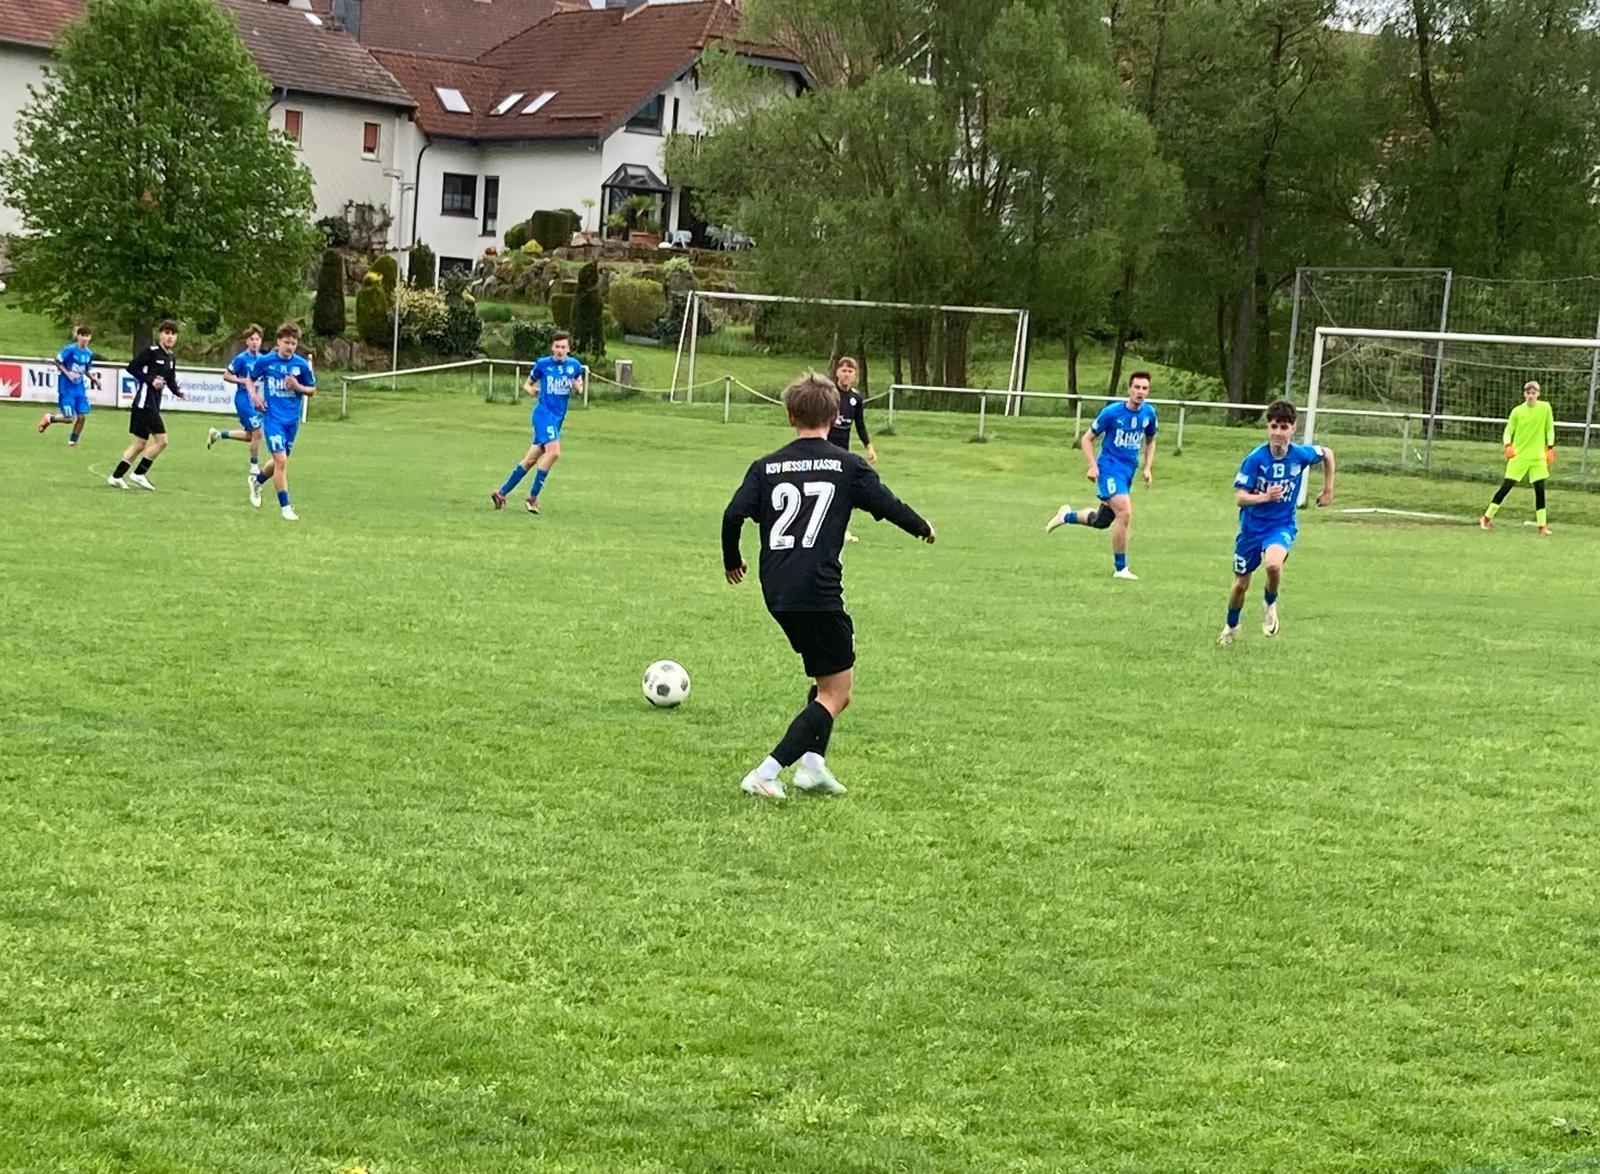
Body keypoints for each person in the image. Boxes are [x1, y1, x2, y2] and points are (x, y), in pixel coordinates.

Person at [722, 370, 936, 800]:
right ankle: (766, 772)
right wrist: (922, 527)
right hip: (817, 590)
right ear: (835, 415)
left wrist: (732, 560)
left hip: (777, 588)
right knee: (837, 693)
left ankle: (812, 767)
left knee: (827, 679)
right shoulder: (848, 466)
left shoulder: (766, 466)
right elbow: (887, 504)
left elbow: (733, 515)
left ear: (790, 416)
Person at [1218, 399, 1335, 646]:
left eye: (1283, 427)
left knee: (1273, 564)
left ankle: (1270, 603)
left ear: (1293, 429)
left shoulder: (1300, 455)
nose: (1278, 433)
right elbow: (1240, 498)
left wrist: (1328, 490)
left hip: (1281, 525)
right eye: (1273, 426)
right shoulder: (1255, 459)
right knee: (1240, 584)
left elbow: (1328, 454)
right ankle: (1231, 625)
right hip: (1251, 530)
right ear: (1267, 428)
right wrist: (1265, 497)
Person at [1044, 370, 1157, 579]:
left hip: (1127, 471)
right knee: (1125, 512)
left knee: (1102, 521)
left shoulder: (1149, 413)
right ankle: (1121, 568)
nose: (1140, 392)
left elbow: (1150, 441)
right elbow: (1086, 439)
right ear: (1129, 389)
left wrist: (1147, 467)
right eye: (1137, 387)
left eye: (1144, 388)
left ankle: (1066, 516)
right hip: (1109, 468)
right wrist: (1093, 466)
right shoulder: (1112, 413)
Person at [491, 332, 584, 514]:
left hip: (557, 418)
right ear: (552, 348)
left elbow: (579, 383)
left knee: (531, 459)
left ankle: (501, 493)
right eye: (557, 347)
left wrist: (578, 387)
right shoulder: (543, 364)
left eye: (563, 347)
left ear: (568, 349)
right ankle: (532, 498)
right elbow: (527, 384)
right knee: (554, 453)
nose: (560, 350)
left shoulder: (574, 365)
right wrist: (533, 391)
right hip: (543, 414)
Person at [247, 323, 316, 520]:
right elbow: (249, 379)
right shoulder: (266, 361)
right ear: (278, 342)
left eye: (293, 343)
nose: (290, 347)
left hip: (292, 421)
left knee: (280, 462)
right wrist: (255, 397)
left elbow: (312, 390)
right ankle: (286, 508)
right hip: (273, 419)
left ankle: (257, 481)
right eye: (287, 342)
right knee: (281, 461)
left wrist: (297, 386)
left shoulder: (301, 365)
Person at [109, 320, 185, 490]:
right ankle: (139, 473)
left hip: (152, 404)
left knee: (139, 443)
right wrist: (150, 380)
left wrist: (178, 392)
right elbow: (132, 367)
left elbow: (170, 380)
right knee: (162, 441)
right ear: (160, 335)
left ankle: (116, 476)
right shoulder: (151, 352)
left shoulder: (171, 357)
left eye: (173, 334)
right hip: (144, 404)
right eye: (167, 333)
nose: (170, 337)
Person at [1480, 380, 1555, 535]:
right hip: (1519, 456)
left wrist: (1550, 447)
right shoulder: (1517, 411)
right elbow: (1509, 430)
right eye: (1528, 393)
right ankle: (1487, 517)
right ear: (1524, 394)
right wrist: (1508, 445)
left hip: (1537, 457)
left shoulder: (1545, 408)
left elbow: (1549, 428)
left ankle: (1542, 525)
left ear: (1538, 394)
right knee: (1506, 486)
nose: (1531, 396)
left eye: (1533, 393)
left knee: (1540, 490)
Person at [827, 355, 877, 543]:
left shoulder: (855, 398)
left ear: (855, 375)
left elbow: (860, 425)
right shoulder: (829, 394)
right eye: (843, 370)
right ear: (837, 372)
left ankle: (842, 529)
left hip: (843, 451)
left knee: (844, 488)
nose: (846, 374)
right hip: (826, 448)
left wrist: (869, 447)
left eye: (850, 371)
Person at [207, 324, 266, 478]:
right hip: (243, 399)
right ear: (247, 341)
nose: (254, 342)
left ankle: (218, 434)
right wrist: (242, 380)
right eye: (251, 339)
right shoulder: (241, 359)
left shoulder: (262, 359)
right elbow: (226, 375)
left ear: (261, 341)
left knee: (251, 436)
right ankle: (254, 467)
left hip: (256, 401)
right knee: (258, 432)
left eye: (257, 339)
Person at [38, 325, 99, 447]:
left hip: (80, 389)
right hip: (66, 389)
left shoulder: (89, 353)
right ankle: (50, 418)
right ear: (78, 336)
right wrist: (68, 373)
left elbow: (85, 369)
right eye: (83, 336)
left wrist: (93, 379)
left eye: (87, 336)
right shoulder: (70, 349)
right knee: (69, 418)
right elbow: (57, 361)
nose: (85, 338)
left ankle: (73, 442)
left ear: (90, 337)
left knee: (82, 417)